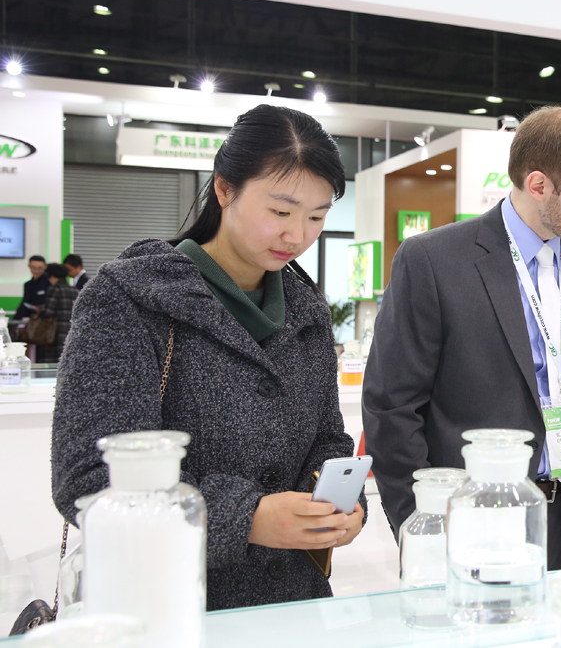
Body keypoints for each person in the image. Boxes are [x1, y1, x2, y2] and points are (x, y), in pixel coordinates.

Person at [51, 104, 365, 611]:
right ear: (224, 189)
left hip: (294, 604)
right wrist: (245, 518)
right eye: (280, 212)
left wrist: (339, 501)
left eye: (316, 217)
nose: (297, 235)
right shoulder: (131, 299)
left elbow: (326, 438)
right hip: (166, 607)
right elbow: (89, 478)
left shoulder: (306, 310)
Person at [363, 106, 561, 570]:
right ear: (538, 185)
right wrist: (423, 523)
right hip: (470, 520)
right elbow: (391, 405)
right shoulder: (433, 260)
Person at [36, 263, 80, 362]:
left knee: (51, 362)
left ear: (52, 276)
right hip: (71, 331)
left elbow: (48, 312)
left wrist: (40, 310)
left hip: (55, 333)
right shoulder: (75, 290)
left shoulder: (55, 289)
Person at [15, 255, 49, 320]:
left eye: (40, 268)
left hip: (45, 319)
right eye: (33, 268)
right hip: (30, 319)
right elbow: (25, 303)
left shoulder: (50, 283)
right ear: (29, 266)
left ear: (45, 267)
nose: (36, 271)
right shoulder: (28, 284)